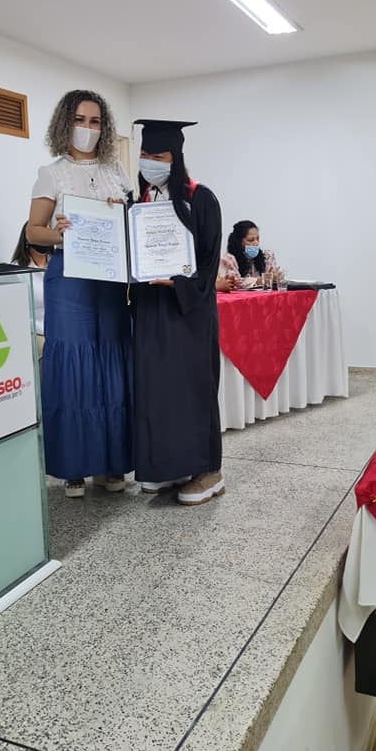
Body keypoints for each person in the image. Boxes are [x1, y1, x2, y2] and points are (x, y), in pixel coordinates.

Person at [26, 90, 133, 498]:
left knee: (111, 366)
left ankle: (111, 464)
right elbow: (33, 232)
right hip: (69, 282)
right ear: (64, 124)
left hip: (109, 281)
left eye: (95, 121)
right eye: (79, 120)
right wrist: (61, 233)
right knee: (74, 369)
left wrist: (120, 213)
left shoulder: (116, 172)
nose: (87, 128)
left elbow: (131, 223)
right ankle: (74, 468)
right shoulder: (51, 173)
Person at [132, 119, 224, 506]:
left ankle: (208, 470)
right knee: (156, 389)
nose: (150, 162)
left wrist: (179, 283)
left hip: (188, 313)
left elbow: (210, 262)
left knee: (192, 388)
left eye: (159, 156)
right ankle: (168, 466)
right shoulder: (137, 201)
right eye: (145, 154)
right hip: (150, 311)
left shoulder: (201, 198)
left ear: (176, 158)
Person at [11, 223, 49, 357]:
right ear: (27, 239)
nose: (44, 239)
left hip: (62, 330)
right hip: (34, 331)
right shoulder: (16, 270)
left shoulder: (58, 264)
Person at [216, 220, 281, 291]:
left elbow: (272, 277)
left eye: (257, 239)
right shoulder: (228, 260)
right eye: (251, 240)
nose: (256, 243)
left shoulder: (267, 256)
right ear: (239, 242)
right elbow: (235, 283)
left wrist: (276, 277)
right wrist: (260, 280)